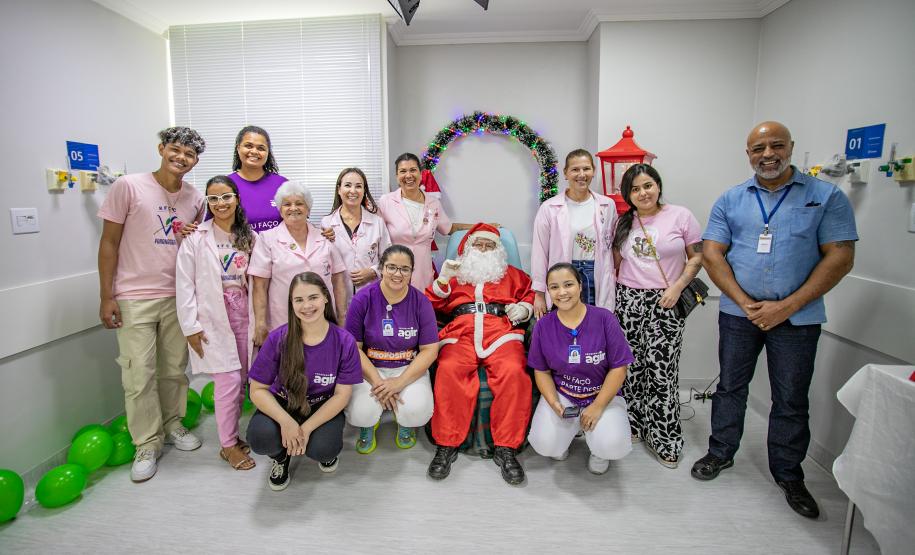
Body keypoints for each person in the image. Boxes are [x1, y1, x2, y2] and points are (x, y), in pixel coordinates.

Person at [692, 121, 857, 519]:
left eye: (776, 146)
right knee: (731, 386)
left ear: (790, 148)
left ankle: (788, 473)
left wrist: (787, 305)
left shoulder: (825, 197)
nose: (768, 154)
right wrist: (746, 302)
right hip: (738, 313)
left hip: (798, 319)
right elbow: (712, 254)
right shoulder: (731, 200)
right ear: (748, 154)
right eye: (758, 148)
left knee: (790, 398)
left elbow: (840, 256)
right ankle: (720, 453)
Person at [97, 126, 206, 482]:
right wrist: (106, 295)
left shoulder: (195, 199)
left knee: (174, 368)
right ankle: (147, 441)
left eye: (189, 155)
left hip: (177, 295)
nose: (181, 158)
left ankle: (173, 424)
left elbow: (194, 247)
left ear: (195, 161)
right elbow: (109, 243)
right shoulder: (128, 186)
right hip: (134, 296)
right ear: (161, 149)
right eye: (175, 150)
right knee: (138, 373)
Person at [424, 223, 534, 485]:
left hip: (502, 333)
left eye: (490, 245)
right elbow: (428, 304)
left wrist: (524, 309)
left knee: (514, 373)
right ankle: (447, 445)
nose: (483, 250)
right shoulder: (454, 274)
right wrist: (442, 280)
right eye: (479, 244)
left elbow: (532, 295)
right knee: (449, 371)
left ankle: (506, 448)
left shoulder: (515, 275)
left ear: (499, 251)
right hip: (460, 332)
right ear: (468, 248)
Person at [611, 164, 703, 469]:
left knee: (662, 372)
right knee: (631, 370)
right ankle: (634, 426)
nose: (643, 193)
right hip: (628, 300)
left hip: (666, 300)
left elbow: (697, 256)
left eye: (647, 186)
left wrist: (678, 287)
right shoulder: (624, 222)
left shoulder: (680, 216)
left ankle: (665, 438)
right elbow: (615, 264)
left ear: (658, 186)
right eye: (635, 189)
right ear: (628, 195)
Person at [246, 272, 362, 491]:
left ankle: (319, 449)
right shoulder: (279, 338)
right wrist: (286, 422)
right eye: (299, 300)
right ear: (291, 304)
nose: (307, 306)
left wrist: (306, 429)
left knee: (323, 448)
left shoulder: (344, 341)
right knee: (260, 438)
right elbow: (257, 389)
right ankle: (280, 458)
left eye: (313, 297)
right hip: (284, 403)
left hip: (321, 405)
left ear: (326, 298)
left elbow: (342, 395)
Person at [176, 175, 257, 471]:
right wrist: (191, 327)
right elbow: (184, 285)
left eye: (226, 196)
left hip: (246, 319)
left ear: (236, 198)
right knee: (228, 383)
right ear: (207, 203)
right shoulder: (196, 238)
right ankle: (227, 446)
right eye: (213, 198)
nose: (220, 203)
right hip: (213, 320)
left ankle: (234, 438)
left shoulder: (249, 237)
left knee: (244, 382)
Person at [527, 263, 634, 474]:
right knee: (544, 443)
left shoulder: (604, 319)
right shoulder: (543, 325)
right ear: (548, 292)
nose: (562, 292)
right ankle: (565, 436)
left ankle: (599, 451)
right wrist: (554, 403)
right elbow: (542, 371)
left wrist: (598, 406)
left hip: (600, 394)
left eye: (568, 284)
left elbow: (619, 368)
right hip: (565, 395)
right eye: (554, 287)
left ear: (580, 286)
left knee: (613, 444)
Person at [343, 245, 438, 453]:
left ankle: (405, 424)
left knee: (417, 412)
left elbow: (430, 350)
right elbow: (353, 349)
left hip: (407, 368)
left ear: (412, 272)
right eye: (391, 267)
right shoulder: (362, 299)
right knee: (361, 413)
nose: (398, 274)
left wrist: (399, 383)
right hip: (370, 369)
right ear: (381, 268)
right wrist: (379, 383)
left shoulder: (421, 302)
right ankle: (369, 424)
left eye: (405, 269)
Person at [249, 181, 347, 349]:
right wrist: (260, 323)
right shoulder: (267, 239)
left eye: (299, 203)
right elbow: (260, 286)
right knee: (287, 368)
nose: (293, 208)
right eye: (287, 204)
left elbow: (338, 282)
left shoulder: (325, 238)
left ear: (308, 209)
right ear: (280, 210)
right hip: (283, 321)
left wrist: (342, 317)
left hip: (323, 320)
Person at [531, 149, 617, 318]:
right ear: (566, 173)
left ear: (593, 171)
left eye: (586, 169)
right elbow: (539, 252)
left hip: (595, 273)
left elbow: (613, 244)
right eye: (575, 169)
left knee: (593, 324)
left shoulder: (607, 205)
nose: (581, 174)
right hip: (564, 274)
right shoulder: (549, 208)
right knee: (565, 326)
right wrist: (539, 294)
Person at [377, 153, 476, 290]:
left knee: (420, 309)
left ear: (421, 173)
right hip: (394, 273)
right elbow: (374, 233)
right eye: (403, 171)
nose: (408, 175)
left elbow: (449, 228)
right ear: (397, 176)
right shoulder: (386, 201)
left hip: (422, 274)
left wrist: (480, 226)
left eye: (413, 170)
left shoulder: (433, 203)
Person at [321, 167, 391, 306]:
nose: (353, 191)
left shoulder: (377, 222)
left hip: (371, 296)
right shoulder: (327, 223)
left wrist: (373, 271)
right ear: (339, 190)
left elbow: (389, 258)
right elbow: (322, 262)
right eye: (347, 185)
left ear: (364, 191)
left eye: (358, 186)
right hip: (338, 297)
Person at [228, 125, 288, 233]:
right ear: (238, 148)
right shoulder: (226, 185)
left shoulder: (283, 184)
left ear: (268, 152)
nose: (254, 151)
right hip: (240, 249)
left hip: (278, 249)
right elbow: (213, 227)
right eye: (248, 146)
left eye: (261, 148)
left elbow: (299, 223)